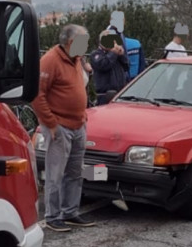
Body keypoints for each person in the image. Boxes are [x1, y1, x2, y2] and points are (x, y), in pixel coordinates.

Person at [31, 24, 95, 232]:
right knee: (55, 173)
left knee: (75, 172)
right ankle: (52, 216)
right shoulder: (50, 60)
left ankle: (70, 211)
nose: (85, 46)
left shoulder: (76, 59)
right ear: (70, 43)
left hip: (78, 124)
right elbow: (37, 95)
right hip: (59, 126)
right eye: (82, 42)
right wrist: (50, 123)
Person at [90, 30, 129, 104]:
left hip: (119, 93)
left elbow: (126, 67)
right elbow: (104, 65)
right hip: (105, 94)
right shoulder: (96, 54)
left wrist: (122, 55)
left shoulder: (115, 54)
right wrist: (113, 52)